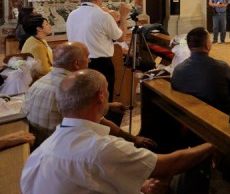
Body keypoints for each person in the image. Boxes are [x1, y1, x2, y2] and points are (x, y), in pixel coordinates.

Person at [21, 69, 214, 194]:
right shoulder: (101, 148)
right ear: (100, 96)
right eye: (107, 90)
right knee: (189, 169)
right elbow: (171, 164)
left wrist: (141, 186)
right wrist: (213, 144)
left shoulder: (43, 149)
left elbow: (89, 179)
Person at [22, 42, 155, 149]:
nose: (89, 60)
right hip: (63, 147)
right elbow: (102, 122)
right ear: (77, 64)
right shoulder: (72, 87)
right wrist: (133, 139)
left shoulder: (39, 82)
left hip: (39, 143)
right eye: (87, 56)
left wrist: (109, 105)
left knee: (111, 110)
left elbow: (67, 106)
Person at [66, 0, 130, 103]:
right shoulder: (102, 15)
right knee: (102, 101)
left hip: (77, 62)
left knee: (84, 99)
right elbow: (121, 38)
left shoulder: (72, 14)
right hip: (100, 64)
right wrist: (123, 16)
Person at [171, 27, 230, 113]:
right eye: (209, 40)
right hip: (218, 114)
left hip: (188, 113)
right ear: (207, 46)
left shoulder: (178, 69)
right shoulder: (222, 67)